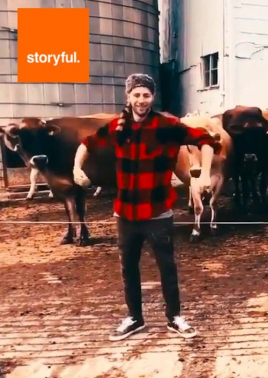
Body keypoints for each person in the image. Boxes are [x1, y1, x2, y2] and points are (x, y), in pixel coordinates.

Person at [72, 73, 221, 341]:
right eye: (136, 94)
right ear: (128, 96)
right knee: (128, 267)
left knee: (167, 267)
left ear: (152, 97)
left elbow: (207, 141)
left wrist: (205, 174)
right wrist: (76, 168)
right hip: (125, 212)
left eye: (146, 95)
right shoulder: (117, 126)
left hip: (158, 211)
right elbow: (86, 144)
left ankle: (174, 317)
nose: (141, 100)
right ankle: (134, 318)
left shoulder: (168, 125)